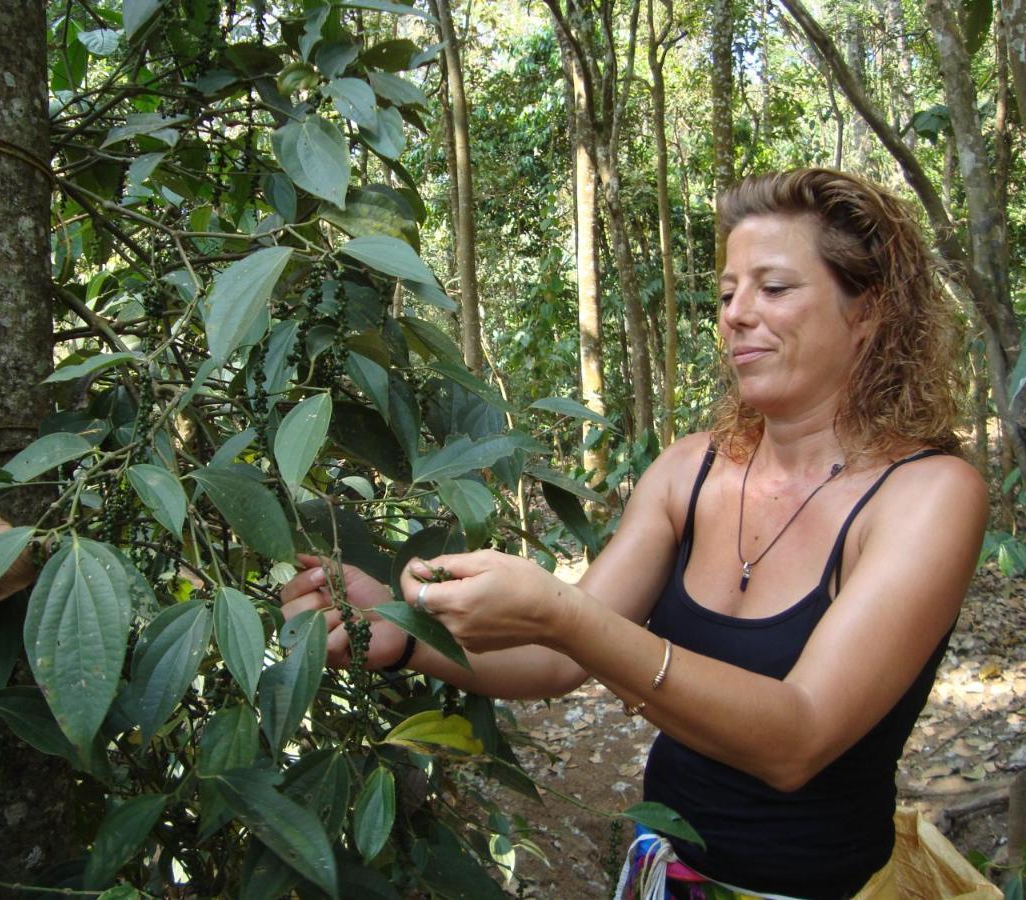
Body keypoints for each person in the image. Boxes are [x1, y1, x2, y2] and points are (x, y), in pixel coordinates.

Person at [279, 168, 988, 898]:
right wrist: (395, 634)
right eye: (725, 293)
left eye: (773, 288)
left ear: (867, 310)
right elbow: (552, 663)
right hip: (666, 874)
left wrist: (565, 614)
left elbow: (797, 740)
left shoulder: (927, 496)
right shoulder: (690, 469)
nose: (737, 313)